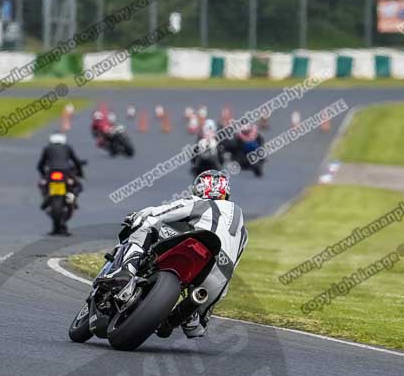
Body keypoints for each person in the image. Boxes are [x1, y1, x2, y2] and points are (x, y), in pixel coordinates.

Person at [98, 169, 247, 338]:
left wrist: (137, 215)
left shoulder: (199, 202)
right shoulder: (243, 230)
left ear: (199, 188)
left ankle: (126, 272)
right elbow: (235, 262)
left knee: (148, 223)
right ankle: (186, 316)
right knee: (197, 328)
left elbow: (159, 213)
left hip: (198, 244)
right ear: (225, 191)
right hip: (221, 272)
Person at [37, 132, 85, 209]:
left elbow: (40, 165)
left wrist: (43, 175)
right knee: (77, 186)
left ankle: (46, 198)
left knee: (43, 185)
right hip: (65, 171)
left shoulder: (47, 148)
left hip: (51, 171)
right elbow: (76, 161)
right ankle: (72, 200)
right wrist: (80, 173)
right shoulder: (68, 147)